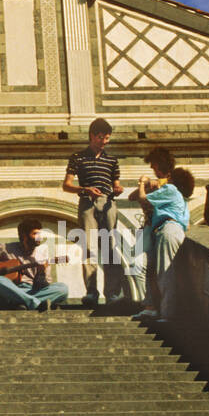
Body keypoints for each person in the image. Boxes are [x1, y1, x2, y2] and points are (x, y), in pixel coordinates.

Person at [62, 118, 124, 306]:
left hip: (107, 202)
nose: (104, 142)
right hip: (87, 202)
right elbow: (66, 185)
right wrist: (85, 189)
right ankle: (91, 292)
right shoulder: (77, 157)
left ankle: (112, 293)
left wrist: (118, 190)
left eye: (107, 138)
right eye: (100, 138)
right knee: (89, 247)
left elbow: (116, 184)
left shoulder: (112, 160)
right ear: (91, 136)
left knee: (109, 246)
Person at [131, 151, 192, 322]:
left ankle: (168, 313)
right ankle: (153, 307)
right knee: (155, 269)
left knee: (165, 271)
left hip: (169, 229)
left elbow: (142, 198)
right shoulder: (172, 192)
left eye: (154, 165)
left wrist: (142, 183)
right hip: (162, 230)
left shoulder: (170, 189)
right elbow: (133, 197)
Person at [0, 218, 69, 312]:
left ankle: (24, 302)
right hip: (9, 293)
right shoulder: (6, 248)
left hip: (31, 290)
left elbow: (43, 286)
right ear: (24, 236)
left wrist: (41, 272)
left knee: (63, 288)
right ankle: (34, 302)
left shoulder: (42, 256)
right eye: (35, 234)